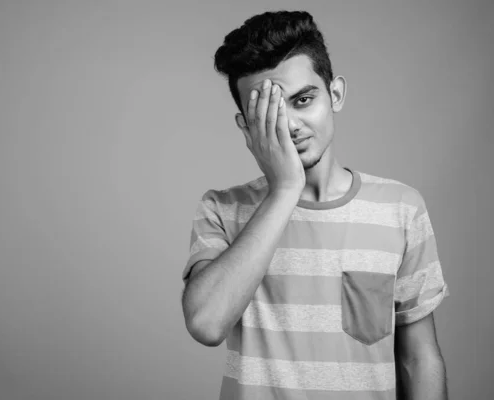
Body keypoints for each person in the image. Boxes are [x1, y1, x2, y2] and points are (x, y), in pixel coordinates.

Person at [180, 10, 450, 400]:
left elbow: (418, 360)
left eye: (303, 100)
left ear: (335, 94)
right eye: (268, 112)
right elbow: (206, 323)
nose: (289, 124)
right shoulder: (221, 209)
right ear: (245, 126)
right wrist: (285, 189)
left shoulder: (401, 208)